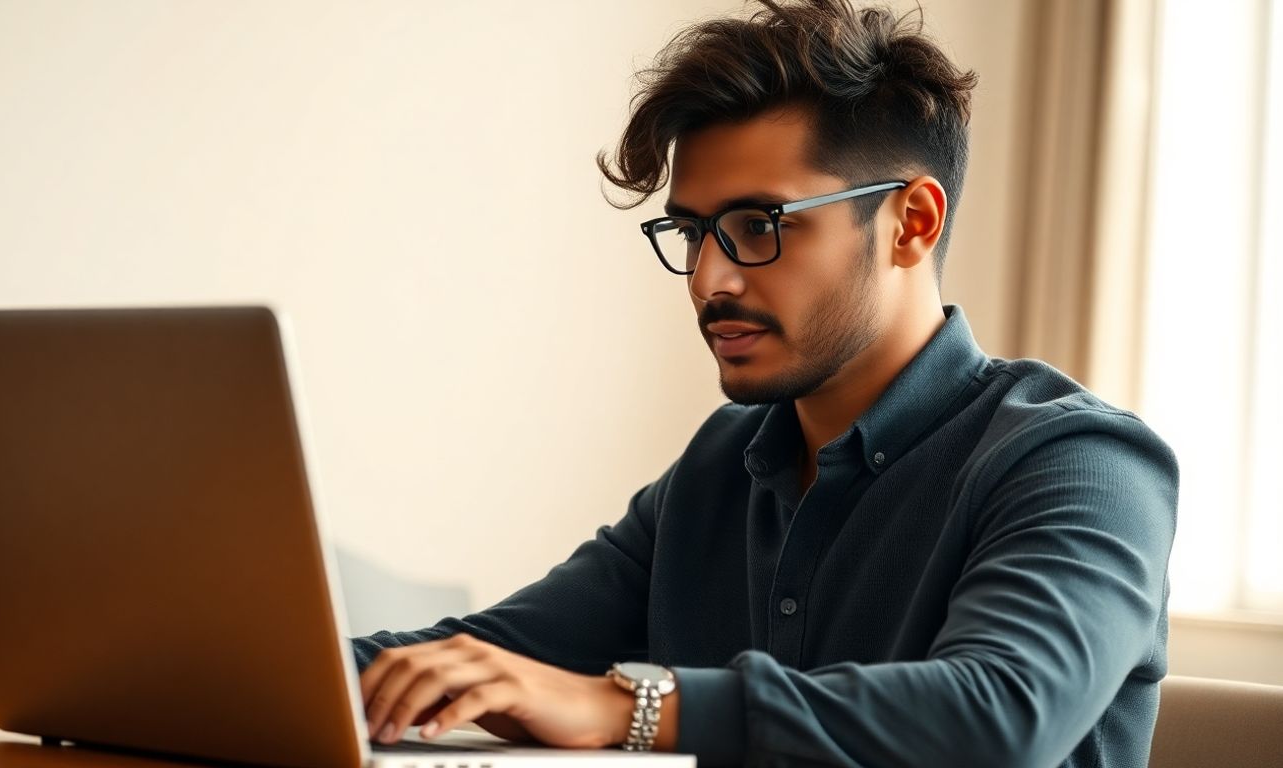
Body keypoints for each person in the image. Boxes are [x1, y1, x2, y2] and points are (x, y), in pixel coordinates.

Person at [351, 1, 1178, 766]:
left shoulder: (1081, 461)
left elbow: (1003, 712)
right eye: (692, 231)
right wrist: (266, 667)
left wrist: (627, 708)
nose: (710, 278)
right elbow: (488, 656)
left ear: (910, 224)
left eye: (757, 226)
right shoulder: (726, 461)